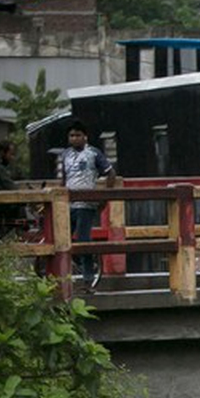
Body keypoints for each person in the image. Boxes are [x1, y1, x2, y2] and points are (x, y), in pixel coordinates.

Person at [57, 121, 114, 288]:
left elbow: (110, 173)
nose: (74, 139)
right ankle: (68, 272)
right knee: (64, 238)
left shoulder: (93, 153)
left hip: (86, 203)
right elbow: (63, 179)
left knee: (83, 239)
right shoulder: (66, 154)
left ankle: (88, 278)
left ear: (85, 136)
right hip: (69, 203)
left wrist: (105, 197)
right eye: (71, 136)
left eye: (77, 135)